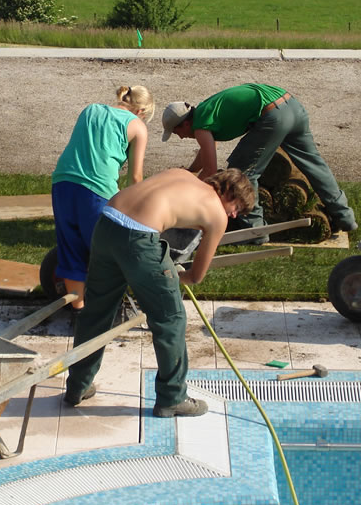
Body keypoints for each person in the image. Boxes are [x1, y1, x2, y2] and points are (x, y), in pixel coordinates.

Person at [64, 167, 255, 418]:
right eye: (237, 208)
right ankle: (172, 398)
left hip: (107, 221)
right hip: (139, 239)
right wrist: (172, 277)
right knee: (171, 320)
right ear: (231, 193)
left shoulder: (182, 175)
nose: (233, 214)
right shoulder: (218, 215)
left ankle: (78, 386)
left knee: (97, 311)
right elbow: (196, 276)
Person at [161, 84, 357, 244]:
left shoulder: (201, 124)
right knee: (313, 164)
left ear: (185, 124)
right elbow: (206, 154)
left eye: (176, 132)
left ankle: (255, 231)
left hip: (272, 115)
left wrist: (187, 194)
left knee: (242, 172)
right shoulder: (207, 111)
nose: (180, 137)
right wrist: (191, 171)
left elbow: (211, 171)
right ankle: (344, 216)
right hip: (291, 105)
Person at [51, 86, 154, 311]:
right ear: (142, 111)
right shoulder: (137, 126)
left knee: (71, 252)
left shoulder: (90, 110)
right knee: (105, 256)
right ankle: (102, 312)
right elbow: (135, 177)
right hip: (96, 192)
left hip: (62, 184)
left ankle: (78, 313)